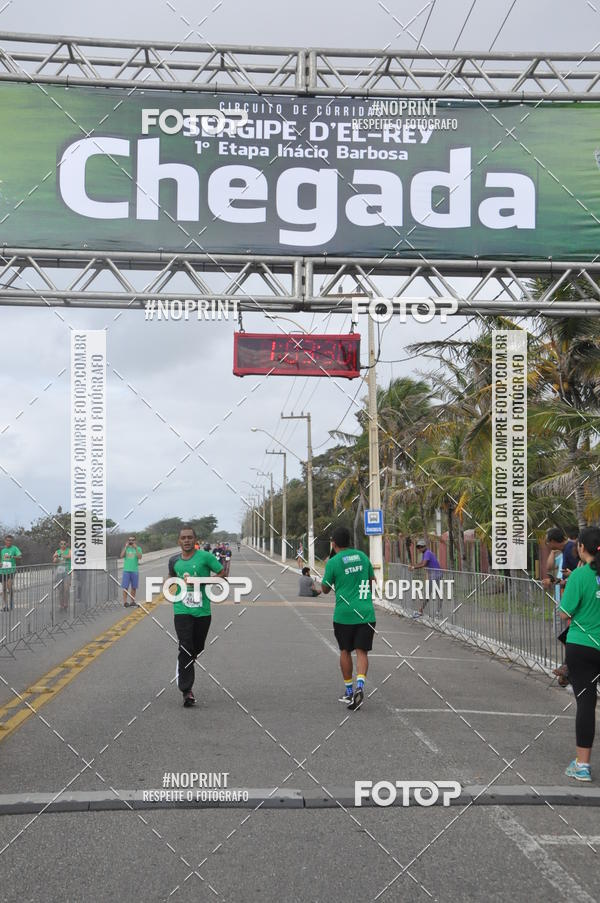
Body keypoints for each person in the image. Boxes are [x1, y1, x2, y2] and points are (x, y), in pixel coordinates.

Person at [558, 526, 600, 782]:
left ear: (582, 548)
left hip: (582, 647)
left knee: (586, 703)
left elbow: (565, 613)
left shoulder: (580, 576)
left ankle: (582, 765)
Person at [167, 525, 225, 708]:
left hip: (203, 610)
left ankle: (184, 664)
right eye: (183, 538)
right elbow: (171, 577)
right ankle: (187, 690)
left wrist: (201, 581)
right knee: (185, 647)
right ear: (179, 541)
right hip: (181, 609)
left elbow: (222, 573)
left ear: (195, 540)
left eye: (189, 537)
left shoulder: (205, 557)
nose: (186, 540)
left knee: (197, 648)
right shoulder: (173, 560)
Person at [321, 526, 376, 710]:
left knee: (345, 650)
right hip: (366, 612)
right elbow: (369, 582)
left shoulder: (334, 562)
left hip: (344, 615)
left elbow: (325, 588)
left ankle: (349, 691)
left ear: (334, 543)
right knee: (362, 652)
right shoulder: (362, 556)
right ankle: (360, 685)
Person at [410, 539, 443, 616]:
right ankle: (422, 610)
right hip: (434, 574)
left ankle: (436, 611)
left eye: (421, 547)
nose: (419, 548)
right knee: (432, 592)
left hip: (436, 574)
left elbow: (423, 564)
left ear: (424, 546)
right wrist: (413, 565)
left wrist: (414, 567)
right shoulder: (425, 553)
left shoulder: (427, 553)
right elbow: (422, 563)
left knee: (432, 593)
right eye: (418, 547)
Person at [120, 535, 142, 607]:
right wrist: (125, 547)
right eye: (129, 540)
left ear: (135, 541)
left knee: (134, 587)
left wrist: (136, 549)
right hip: (126, 570)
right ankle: (125, 602)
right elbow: (121, 556)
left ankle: (132, 601)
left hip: (134, 570)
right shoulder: (126, 548)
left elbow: (139, 557)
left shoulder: (138, 548)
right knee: (125, 587)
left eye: (132, 540)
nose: (131, 541)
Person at [1, 535, 22, 612]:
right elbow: (1, 560)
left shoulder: (14, 548)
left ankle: (11, 602)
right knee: (3, 588)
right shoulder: (2, 550)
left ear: (12, 541)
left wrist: (12, 556)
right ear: (5, 541)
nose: (8, 542)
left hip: (11, 570)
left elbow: (20, 556)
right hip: (3, 571)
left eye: (10, 540)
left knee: (9, 586)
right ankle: (5, 605)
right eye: (7, 540)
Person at [52, 540, 72, 610]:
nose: (63, 545)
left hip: (67, 571)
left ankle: (66, 603)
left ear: (66, 544)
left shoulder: (69, 550)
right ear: (59, 544)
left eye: (64, 544)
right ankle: (61, 604)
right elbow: (54, 561)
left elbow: (70, 556)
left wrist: (61, 555)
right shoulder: (57, 551)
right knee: (60, 589)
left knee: (66, 589)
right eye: (61, 544)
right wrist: (56, 557)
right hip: (59, 572)